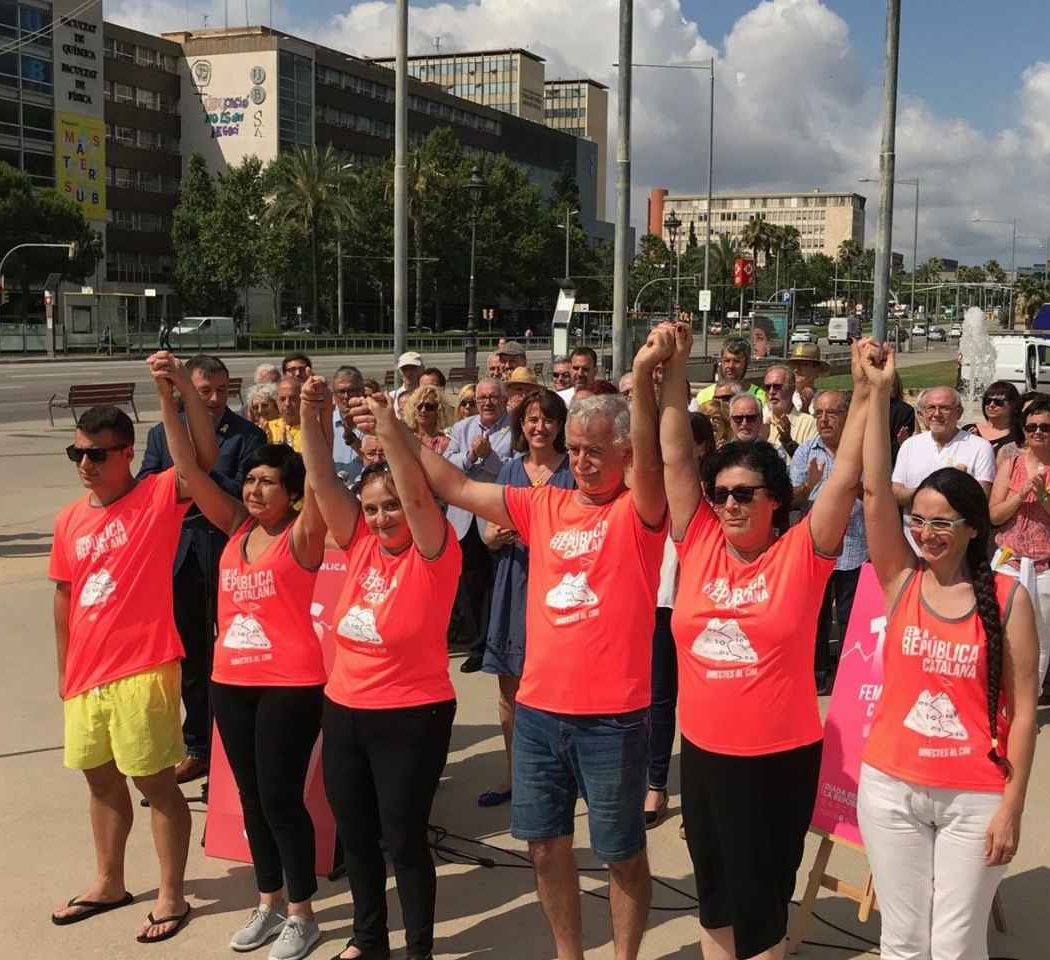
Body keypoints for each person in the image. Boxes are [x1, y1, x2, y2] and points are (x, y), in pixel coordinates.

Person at [407, 336, 672, 960]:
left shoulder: (639, 513)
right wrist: (396, 428)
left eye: (594, 452)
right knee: (545, 844)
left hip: (612, 719)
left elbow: (659, 459)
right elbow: (451, 484)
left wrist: (642, 374)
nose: (580, 462)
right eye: (574, 450)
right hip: (539, 714)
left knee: (621, 851)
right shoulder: (541, 504)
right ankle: (568, 954)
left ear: (625, 454)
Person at [657, 322, 867, 960]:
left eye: (744, 494)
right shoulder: (697, 543)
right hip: (703, 753)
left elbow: (847, 474)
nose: (728, 504)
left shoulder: (801, 555)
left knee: (761, 902)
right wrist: (673, 369)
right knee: (715, 891)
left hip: (775, 759)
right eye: (720, 494)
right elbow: (673, 456)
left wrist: (865, 391)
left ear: (775, 501)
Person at [854, 341, 1040, 960]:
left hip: (975, 795)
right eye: (921, 522)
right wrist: (879, 394)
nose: (926, 535)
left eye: (941, 523)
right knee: (903, 941)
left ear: (972, 528)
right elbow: (877, 494)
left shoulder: (1010, 599)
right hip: (890, 787)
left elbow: (1024, 711)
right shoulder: (900, 582)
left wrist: (1011, 808)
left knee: (956, 944)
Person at [148, 354, 329, 958]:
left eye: (267, 483)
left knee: (281, 797)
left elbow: (322, 480)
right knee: (252, 798)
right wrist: (170, 393)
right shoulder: (234, 530)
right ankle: (269, 902)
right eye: (249, 481)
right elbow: (188, 468)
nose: (253, 490)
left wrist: (308, 414)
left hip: (290, 685)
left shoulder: (301, 536)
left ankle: (303, 915)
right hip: (232, 683)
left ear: (293, 495)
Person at [298, 378, 461, 960]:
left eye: (389, 505)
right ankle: (369, 940)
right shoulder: (361, 543)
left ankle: (418, 948)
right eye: (371, 508)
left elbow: (419, 500)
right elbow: (319, 482)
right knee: (357, 837)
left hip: (412, 716)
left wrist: (389, 430)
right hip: (345, 712)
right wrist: (308, 415)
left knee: (404, 840)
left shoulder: (433, 552)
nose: (382, 516)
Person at [48, 400, 202, 944]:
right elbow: (65, 598)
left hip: (144, 666)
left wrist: (170, 394)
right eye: (76, 453)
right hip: (86, 676)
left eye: (95, 454)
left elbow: (196, 464)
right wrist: (66, 673)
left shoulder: (157, 495)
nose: (84, 464)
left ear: (126, 453)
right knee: (99, 780)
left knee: (154, 782)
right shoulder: (69, 520)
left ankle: (170, 894)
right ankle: (109, 882)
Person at [138, 355, 267, 784]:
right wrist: (179, 484)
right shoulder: (162, 433)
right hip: (180, 553)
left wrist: (198, 480)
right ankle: (198, 744)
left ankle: (233, 752)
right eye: (202, 391)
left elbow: (249, 490)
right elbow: (148, 483)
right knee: (191, 656)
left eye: (220, 391)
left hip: (228, 550)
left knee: (231, 653)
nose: (213, 400)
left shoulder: (248, 435)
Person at [475, 389, 577, 809]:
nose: (539, 427)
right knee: (510, 688)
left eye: (547, 419)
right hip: (514, 583)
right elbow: (486, 533)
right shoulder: (511, 471)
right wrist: (495, 535)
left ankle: (565, 774)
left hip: (560, 592)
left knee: (564, 687)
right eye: (531, 419)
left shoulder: (574, 472)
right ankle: (516, 775)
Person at [646, 411, 715, 829]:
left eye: (686, 441)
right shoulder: (655, 488)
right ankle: (655, 784)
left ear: (704, 445)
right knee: (658, 700)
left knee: (698, 703)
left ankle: (697, 796)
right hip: (658, 602)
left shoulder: (717, 490)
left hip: (702, 607)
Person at [989, 396, 1050, 690]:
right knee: (1004, 635)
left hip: (1049, 565)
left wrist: (1043, 496)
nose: (1038, 432)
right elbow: (994, 515)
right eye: (1031, 427)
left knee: (1040, 637)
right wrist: (1020, 496)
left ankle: (1028, 705)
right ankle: (1004, 702)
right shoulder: (1010, 464)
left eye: (1045, 427)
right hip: (1010, 562)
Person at [792, 387, 871, 696]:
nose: (824, 419)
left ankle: (853, 674)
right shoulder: (806, 451)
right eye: (819, 413)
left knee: (851, 618)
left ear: (847, 416)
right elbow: (792, 500)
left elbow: (880, 496)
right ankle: (819, 673)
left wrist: (858, 486)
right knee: (817, 617)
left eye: (832, 413)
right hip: (816, 550)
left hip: (856, 548)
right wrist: (807, 486)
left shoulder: (864, 450)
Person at [444, 378, 515, 669]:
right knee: (470, 582)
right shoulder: (463, 427)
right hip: (464, 517)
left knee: (496, 580)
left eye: (493, 398)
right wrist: (472, 454)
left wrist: (491, 458)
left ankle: (494, 643)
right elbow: (447, 462)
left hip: (495, 515)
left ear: (504, 400)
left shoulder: (515, 427)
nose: (487, 403)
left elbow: (515, 469)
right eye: (481, 398)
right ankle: (475, 645)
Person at [892, 386, 997, 508]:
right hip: (915, 526)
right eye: (931, 408)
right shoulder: (909, 445)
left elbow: (981, 498)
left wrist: (919, 493)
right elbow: (897, 494)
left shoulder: (980, 447)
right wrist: (947, 489)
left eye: (945, 408)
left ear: (959, 412)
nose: (936, 414)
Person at [761, 364, 816, 458]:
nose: (771, 392)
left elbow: (809, 463)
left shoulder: (810, 423)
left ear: (792, 388)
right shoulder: (759, 422)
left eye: (777, 387)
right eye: (767, 387)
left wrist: (788, 442)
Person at [695, 338, 767, 407]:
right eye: (727, 361)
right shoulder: (703, 396)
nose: (731, 366)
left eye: (736, 361)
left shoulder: (759, 397)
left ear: (747, 363)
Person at [970, 380, 1022, 456]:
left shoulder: (1019, 436)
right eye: (987, 401)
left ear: (1013, 405)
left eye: (998, 402)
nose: (991, 405)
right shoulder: (968, 431)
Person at [401, 383, 454, 455]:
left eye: (429, 407)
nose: (423, 410)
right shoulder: (404, 438)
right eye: (419, 406)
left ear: (439, 412)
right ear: (413, 409)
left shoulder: (445, 444)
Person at [788, 343, 829, 412]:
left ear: (817, 369)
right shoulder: (783, 397)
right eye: (794, 365)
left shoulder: (825, 399)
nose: (796, 369)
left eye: (804, 365)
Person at [270, 375, 304, 450]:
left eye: (293, 399)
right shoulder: (268, 428)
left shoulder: (314, 429)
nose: (287, 404)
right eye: (282, 399)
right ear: (276, 402)